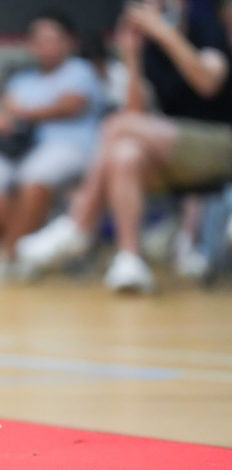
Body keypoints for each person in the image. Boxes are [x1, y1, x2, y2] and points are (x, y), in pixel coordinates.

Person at [17, 0, 232, 292]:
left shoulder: (206, 27)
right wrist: (131, 55)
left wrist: (166, 34)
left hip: (220, 143)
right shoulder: (150, 49)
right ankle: (130, 261)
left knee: (114, 126)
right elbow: (135, 114)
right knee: (123, 153)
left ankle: (80, 224)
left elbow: (207, 83)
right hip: (169, 147)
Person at [0, 10, 105, 280]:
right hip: (19, 150)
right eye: (39, 40)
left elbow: (71, 105)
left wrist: (22, 112)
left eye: (52, 39)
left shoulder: (81, 71)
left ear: (68, 42)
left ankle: (6, 254)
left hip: (70, 148)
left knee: (36, 175)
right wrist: (1, 121)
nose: (46, 46)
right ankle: (24, 253)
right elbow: (4, 113)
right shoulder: (22, 80)